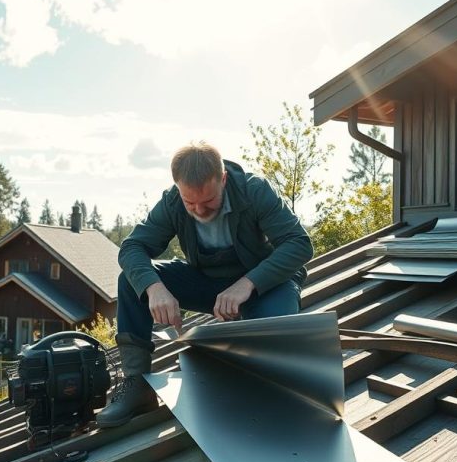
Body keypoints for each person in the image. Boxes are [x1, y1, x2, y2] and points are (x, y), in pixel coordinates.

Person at [96, 142, 313, 428]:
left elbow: (299, 244)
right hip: (209, 283)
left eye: (208, 201)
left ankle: (265, 391)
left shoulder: (254, 191)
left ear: (222, 179)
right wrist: (155, 289)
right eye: (190, 203)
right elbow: (132, 248)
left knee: (273, 336)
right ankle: (137, 385)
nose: (198, 209)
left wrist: (248, 283)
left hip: (264, 285)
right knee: (132, 280)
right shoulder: (172, 202)